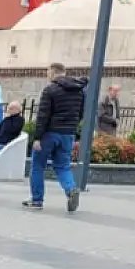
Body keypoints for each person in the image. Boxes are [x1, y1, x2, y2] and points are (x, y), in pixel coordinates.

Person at [25, 62, 85, 212]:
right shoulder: (79, 91)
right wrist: (72, 128)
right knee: (63, 166)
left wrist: (37, 137)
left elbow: (43, 115)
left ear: (53, 72)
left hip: (50, 133)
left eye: (48, 72)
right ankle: (71, 190)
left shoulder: (50, 90)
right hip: (68, 134)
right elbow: (81, 113)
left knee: (38, 166)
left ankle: (37, 200)